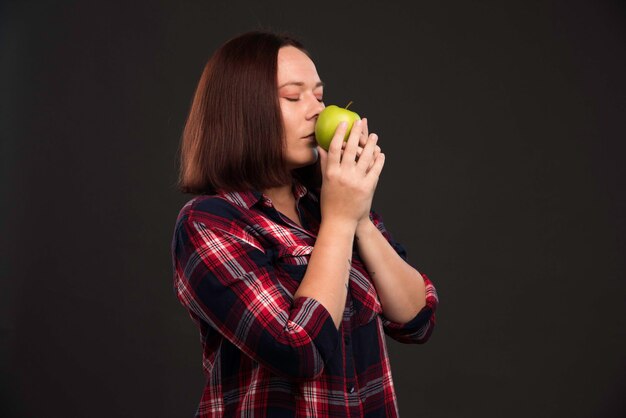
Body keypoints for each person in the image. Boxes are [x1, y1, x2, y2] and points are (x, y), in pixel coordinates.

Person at [170, 30, 439, 418]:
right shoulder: (209, 222)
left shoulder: (328, 207)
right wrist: (341, 221)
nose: (316, 110)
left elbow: (418, 320)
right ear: (242, 110)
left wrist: (359, 218)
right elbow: (299, 350)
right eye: (294, 97)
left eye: (318, 95)